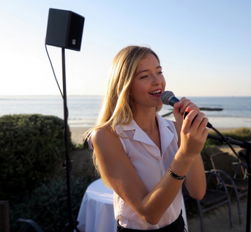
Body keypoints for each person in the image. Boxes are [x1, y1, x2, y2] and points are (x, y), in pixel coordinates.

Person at [87, 46, 208, 231]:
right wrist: (185, 153)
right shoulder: (107, 136)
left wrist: (190, 144)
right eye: (145, 76)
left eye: (159, 72)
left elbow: (198, 192)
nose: (157, 81)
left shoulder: (172, 128)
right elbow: (149, 213)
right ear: (125, 86)